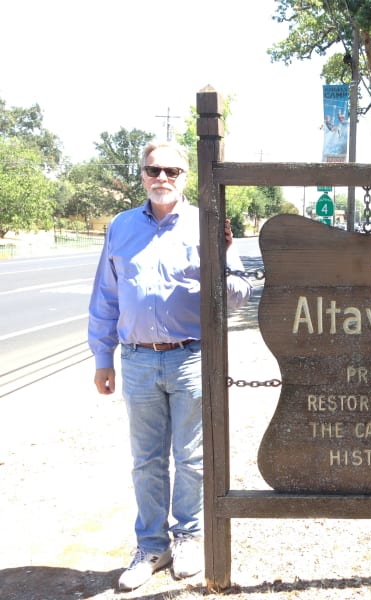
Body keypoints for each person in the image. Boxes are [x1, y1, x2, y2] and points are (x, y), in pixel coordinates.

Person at [88, 140, 252, 591]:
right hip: (138, 360)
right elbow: (105, 296)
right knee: (146, 461)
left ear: (185, 177)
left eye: (172, 172)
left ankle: (188, 537)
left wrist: (221, 255)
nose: (162, 178)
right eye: (154, 170)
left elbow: (238, 296)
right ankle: (151, 545)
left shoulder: (207, 223)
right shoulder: (120, 227)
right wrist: (103, 357)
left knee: (192, 458)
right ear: (142, 173)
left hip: (190, 357)